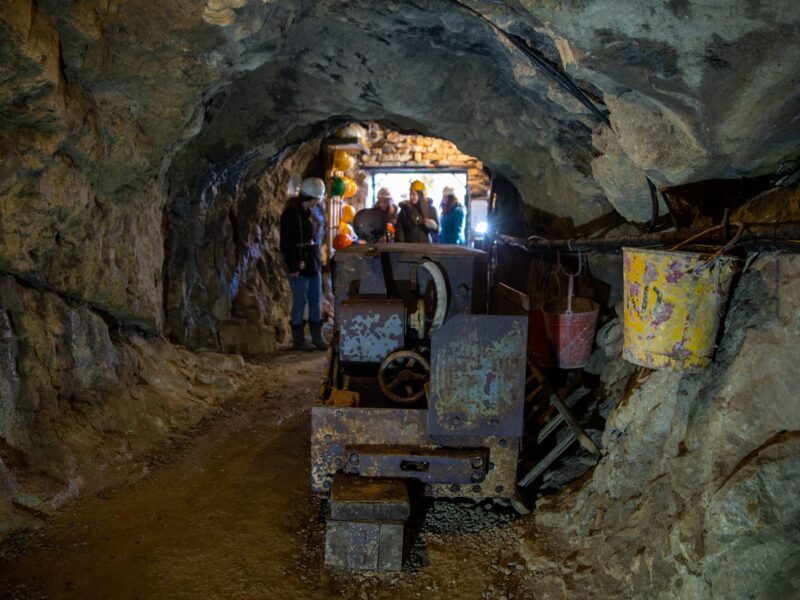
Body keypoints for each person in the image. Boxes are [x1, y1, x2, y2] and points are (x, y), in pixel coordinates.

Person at [280, 177, 328, 351]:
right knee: (300, 300)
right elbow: (286, 243)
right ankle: (298, 339)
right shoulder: (291, 214)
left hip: (312, 260)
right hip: (299, 261)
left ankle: (317, 336)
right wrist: (293, 266)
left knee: (315, 299)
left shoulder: (310, 213)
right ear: (314, 197)